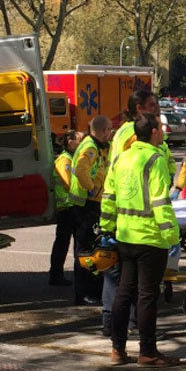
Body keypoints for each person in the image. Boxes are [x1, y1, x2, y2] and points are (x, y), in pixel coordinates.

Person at [100, 113, 181, 366]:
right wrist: (172, 235)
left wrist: (107, 227)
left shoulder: (121, 158)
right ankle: (147, 351)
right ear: (154, 132)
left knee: (124, 292)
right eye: (161, 129)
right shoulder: (155, 159)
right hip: (150, 238)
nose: (163, 133)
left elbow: (109, 196)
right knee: (147, 295)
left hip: (125, 236)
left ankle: (117, 349)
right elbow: (160, 202)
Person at [71, 116, 113, 306]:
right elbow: (81, 170)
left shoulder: (96, 146)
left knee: (90, 248)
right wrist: (92, 188)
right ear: (103, 131)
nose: (110, 134)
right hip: (86, 206)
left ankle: (90, 290)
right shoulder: (90, 147)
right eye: (109, 130)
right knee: (85, 250)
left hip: (89, 205)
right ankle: (83, 293)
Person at [49, 130, 85, 287]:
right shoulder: (64, 160)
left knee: (68, 243)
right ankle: (56, 275)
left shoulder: (71, 158)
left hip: (71, 207)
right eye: (80, 140)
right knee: (63, 244)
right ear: (70, 142)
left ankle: (61, 274)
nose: (82, 143)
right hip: (67, 208)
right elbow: (70, 183)